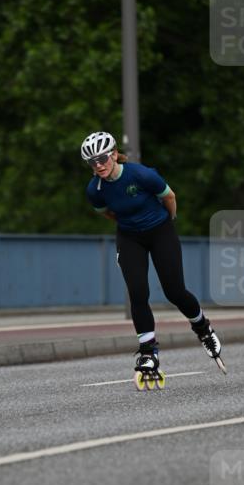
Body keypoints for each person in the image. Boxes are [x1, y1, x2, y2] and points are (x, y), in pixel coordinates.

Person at [81, 130, 223, 375]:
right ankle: (148, 352)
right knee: (137, 292)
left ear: (114, 155)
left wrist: (168, 221)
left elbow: (169, 196)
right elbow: (107, 212)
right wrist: (131, 223)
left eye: (103, 159)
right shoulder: (95, 189)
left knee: (174, 291)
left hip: (160, 231)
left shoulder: (141, 174)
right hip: (129, 237)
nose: (99, 165)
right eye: (92, 162)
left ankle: (203, 328)